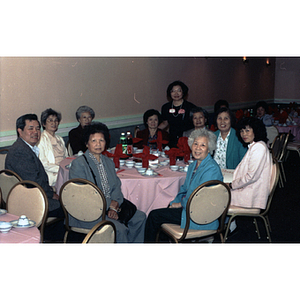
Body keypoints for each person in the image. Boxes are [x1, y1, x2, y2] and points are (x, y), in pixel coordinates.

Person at [69, 122, 146, 243]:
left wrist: (114, 206)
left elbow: (116, 187)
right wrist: (109, 205)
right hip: (88, 212)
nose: (98, 144)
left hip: (110, 207)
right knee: (119, 229)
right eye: (94, 140)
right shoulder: (79, 164)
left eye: (101, 140)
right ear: (86, 143)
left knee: (140, 218)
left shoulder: (108, 162)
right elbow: (84, 196)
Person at [144, 128, 223, 242]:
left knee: (154, 216)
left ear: (209, 149)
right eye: (195, 144)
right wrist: (173, 203)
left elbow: (200, 197)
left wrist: (180, 204)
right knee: (163, 211)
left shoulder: (212, 169)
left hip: (199, 214)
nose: (197, 148)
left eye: (202, 145)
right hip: (189, 208)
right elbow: (184, 189)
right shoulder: (193, 165)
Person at [5, 114, 63, 217]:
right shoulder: (20, 151)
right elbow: (33, 182)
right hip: (30, 201)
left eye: (37, 129)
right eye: (30, 129)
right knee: (66, 205)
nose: (35, 132)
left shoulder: (25, 147)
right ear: (20, 131)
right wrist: (51, 194)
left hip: (31, 194)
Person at [228, 117, 272, 209]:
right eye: (242, 131)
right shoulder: (255, 145)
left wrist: (232, 185)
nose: (244, 134)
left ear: (256, 130)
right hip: (249, 190)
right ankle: (230, 223)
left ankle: (228, 222)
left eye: (247, 131)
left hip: (250, 195)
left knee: (216, 195)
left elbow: (251, 177)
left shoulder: (258, 147)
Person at [159, 80, 196, 148]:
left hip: (188, 139)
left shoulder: (190, 107)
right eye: (173, 91)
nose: (176, 93)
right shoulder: (166, 107)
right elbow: (165, 123)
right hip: (172, 139)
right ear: (170, 93)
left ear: (183, 92)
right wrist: (154, 130)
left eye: (179, 90)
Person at [37, 108, 68, 187]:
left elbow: (67, 158)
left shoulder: (60, 139)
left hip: (64, 170)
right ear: (44, 124)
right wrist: (62, 170)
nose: (54, 123)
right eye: (50, 120)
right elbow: (44, 164)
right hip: (52, 174)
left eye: (56, 120)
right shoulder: (40, 140)